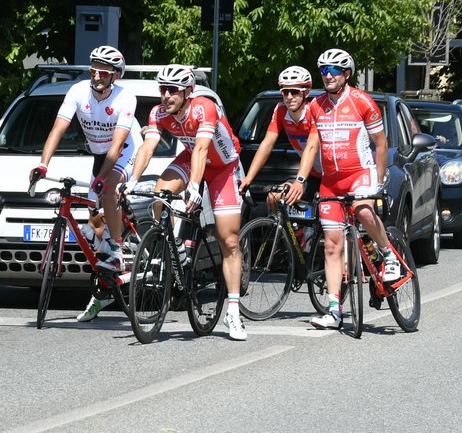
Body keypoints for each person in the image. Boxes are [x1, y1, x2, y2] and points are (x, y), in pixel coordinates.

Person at [129, 64, 247, 341]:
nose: (166, 95)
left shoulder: (203, 108)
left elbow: (204, 148)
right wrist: (132, 180)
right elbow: (148, 147)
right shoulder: (159, 113)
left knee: (228, 240)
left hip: (222, 167)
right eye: (163, 89)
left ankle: (233, 310)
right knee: (160, 194)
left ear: (188, 92)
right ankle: (174, 248)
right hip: (192, 157)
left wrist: (195, 188)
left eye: (172, 90)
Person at [30, 46, 140, 323]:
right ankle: (105, 282)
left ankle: (116, 250)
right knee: (95, 222)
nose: (97, 76)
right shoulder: (78, 92)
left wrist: (104, 179)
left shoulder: (125, 97)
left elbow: (117, 145)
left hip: (126, 149)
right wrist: (43, 165)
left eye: (103, 71)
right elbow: (57, 129)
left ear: (115, 75)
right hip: (100, 154)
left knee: (109, 186)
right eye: (93, 70)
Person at [299, 47, 399, 331]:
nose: (327, 75)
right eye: (323, 70)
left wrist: (379, 181)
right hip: (332, 179)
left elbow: (381, 144)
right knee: (332, 245)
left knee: (363, 210)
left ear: (346, 74)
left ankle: (388, 254)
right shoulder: (316, 106)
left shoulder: (362, 102)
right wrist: (300, 179)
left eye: (333, 70)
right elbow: (312, 146)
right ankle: (334, 310)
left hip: (360, 172)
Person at [240, 65, 321, 215]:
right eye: (285, 91)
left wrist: (299, 181)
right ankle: (290, 236)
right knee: (274, 196)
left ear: (306, 92)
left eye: (295, 91)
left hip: (330, 176)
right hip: (313, 174)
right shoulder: (280, 110)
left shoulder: (315, 111)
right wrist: (248, 178)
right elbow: (267, 143)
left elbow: (311, 147)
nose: (289, 96)